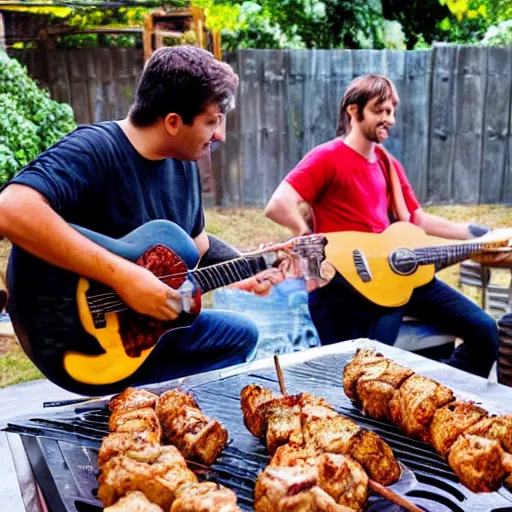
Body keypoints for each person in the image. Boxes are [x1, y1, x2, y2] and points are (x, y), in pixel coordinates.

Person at [0, 46, 265, 396]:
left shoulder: (183, 163)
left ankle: (158, 411)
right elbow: (10, 208)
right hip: (77, 338)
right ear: (173, 122)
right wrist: (125, 278)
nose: (220, 135)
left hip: (141, 334)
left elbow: (197, 245)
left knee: (240, 336)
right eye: (212, 121)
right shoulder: (93, 149)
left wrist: (253, 266)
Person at [264, 73, 499, 378]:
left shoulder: (387, 163)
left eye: (391, 111)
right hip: (345, 286)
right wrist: (311, 248)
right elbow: (278, 204)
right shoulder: (327, 157)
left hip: (396, 274)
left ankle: (439, 399)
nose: (389, 119)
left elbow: (419, 220)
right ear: (353, 111)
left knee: (484, 331)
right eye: (380, 110)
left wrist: (481, 235)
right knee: (364, 372)